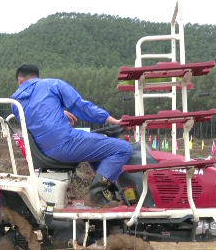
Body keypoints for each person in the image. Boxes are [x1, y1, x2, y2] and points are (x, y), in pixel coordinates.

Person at [11, 64, 132, 207]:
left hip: (43, 150)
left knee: (96, 148)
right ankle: (95, 194)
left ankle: (114, 191)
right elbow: (82, 107)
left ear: (20, 80)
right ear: (39, 77)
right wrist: (114, 121)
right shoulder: (52, 84)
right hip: (64, 143)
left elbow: (37, 118)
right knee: (124, 148)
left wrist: (59, 112)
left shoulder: (15, 102)